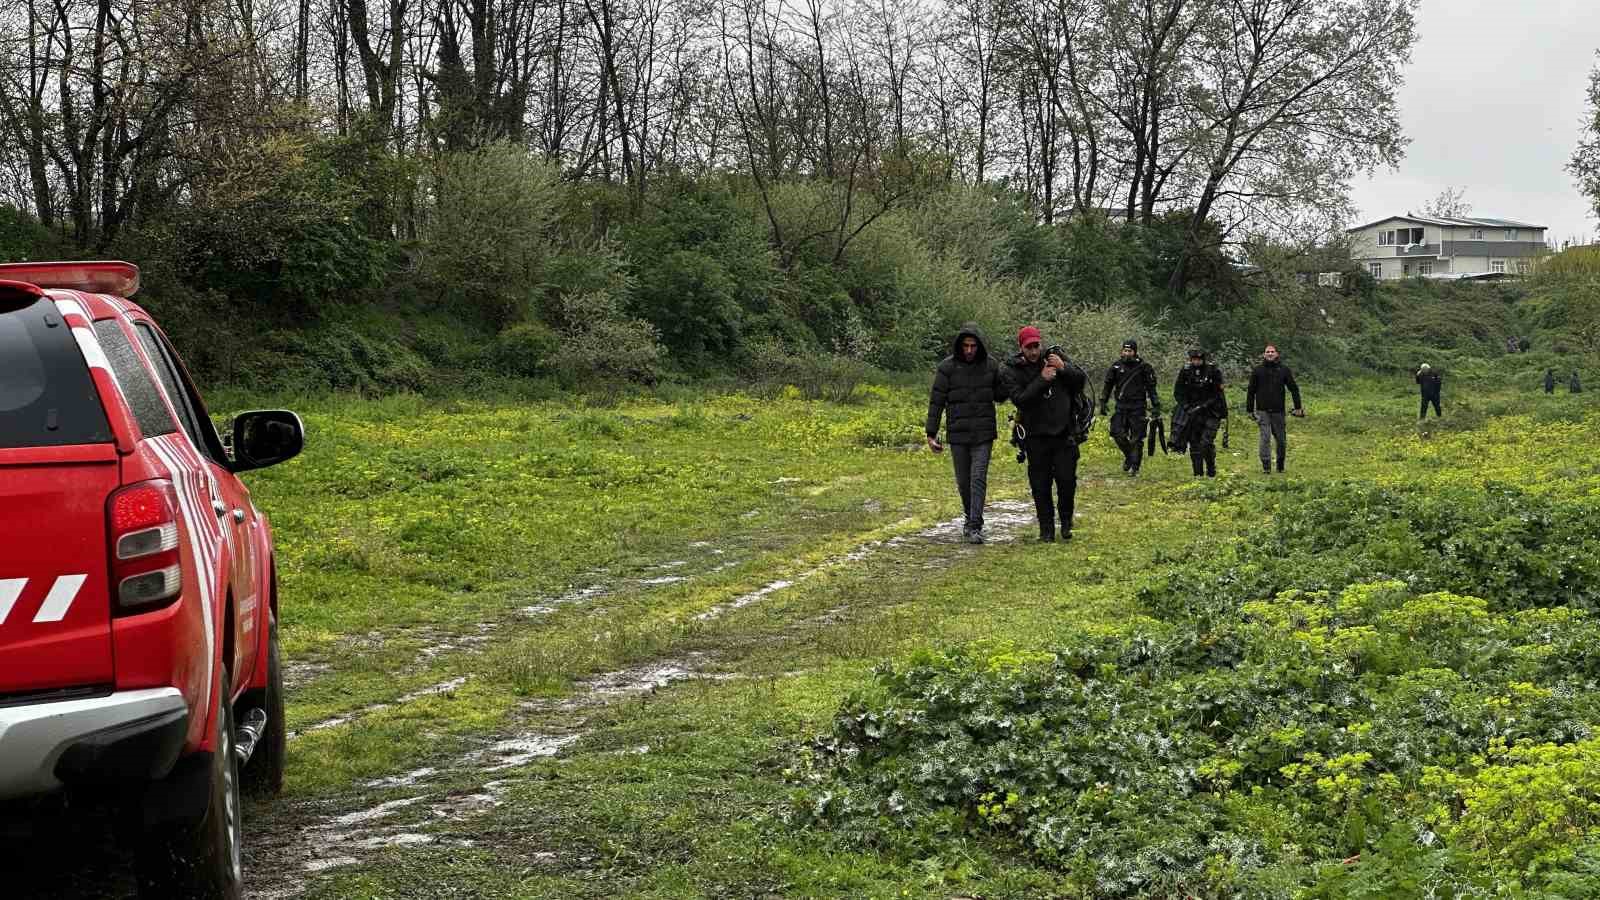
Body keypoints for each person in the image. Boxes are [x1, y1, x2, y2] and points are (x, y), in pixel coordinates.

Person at [1001, 326, 1087, 542]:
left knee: (1067, 481)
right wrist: (1042, 379)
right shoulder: (1012, 369)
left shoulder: (1054, 357)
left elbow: (1080, 381)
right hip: (1035, 436)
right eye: (1028, 347)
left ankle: (1066, 523)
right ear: (1021, 348)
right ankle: (1046, 530)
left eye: (1036, 346)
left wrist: (1063, 367)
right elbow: (1020, 399)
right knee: (1040, 485)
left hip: (1064, 433)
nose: (1033, 351)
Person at [926, 323, 1000, 544]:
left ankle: (975, 525)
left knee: (978, 478)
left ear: (979, 346)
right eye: (966, 346)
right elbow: (936, 401)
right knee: (963, 481)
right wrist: (931, 433)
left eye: (973, 346)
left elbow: (1004, 392)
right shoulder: (946, 368)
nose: (969, 350)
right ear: (960, 346)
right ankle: (970, 517)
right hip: (958, 434)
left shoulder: (992, 366)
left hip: (983, 434)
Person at [1099, 340, 1160, 476]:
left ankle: (1135, 467)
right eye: (1125, 351)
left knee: (1136, 439)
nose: (1127, 353)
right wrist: (1103, 401)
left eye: (1130, 351)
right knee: (1117, 434)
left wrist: (1156, 405)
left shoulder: (1144, 367)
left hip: (1138, 406)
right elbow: (1108, 385)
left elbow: (1151, 388)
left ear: (1135, 352)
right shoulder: (1116, 366)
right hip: (1121, 406)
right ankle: (1129, 456)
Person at [1245, 344, 1303, 473]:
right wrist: (1249, 410)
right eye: (1267, 352)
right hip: (1262, 411)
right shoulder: (1258, 371)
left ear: (1276, 354)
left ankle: (1280, 464)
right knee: (1265, 439)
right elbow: (1251, 391)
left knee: (1281, 440)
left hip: (1278, 411)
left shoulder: (1284, 370)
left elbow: (1294, 389)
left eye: (1272, 352)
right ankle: (1266, 466)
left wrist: (1298, 407)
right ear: (1264, 354)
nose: (1270, 354)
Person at [1173, 348, 1226, 477]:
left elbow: (1218, 393)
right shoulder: (1185, 371)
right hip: (1192, 412)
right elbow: (1178, 392)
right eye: (1194, 360)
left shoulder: (1213, 371)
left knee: (1206, 443)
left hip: (1211, 412)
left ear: (1203, 360)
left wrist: (1204, 406)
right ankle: (1198, 474)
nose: (1196, 362)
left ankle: (1211, 469)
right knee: (1194, 444)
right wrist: (1186, 406)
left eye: (1199, 360)